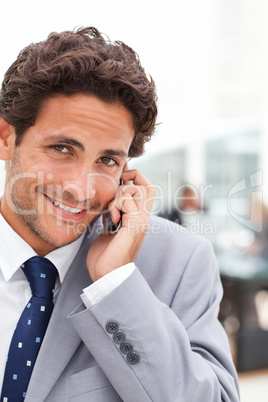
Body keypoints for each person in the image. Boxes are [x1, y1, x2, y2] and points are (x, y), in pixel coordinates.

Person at [0, 27, 240, 401]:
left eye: (108, 160)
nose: (81, 188)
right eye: (62, 148)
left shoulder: (179, 263)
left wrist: (117, 286)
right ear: (6, 137)